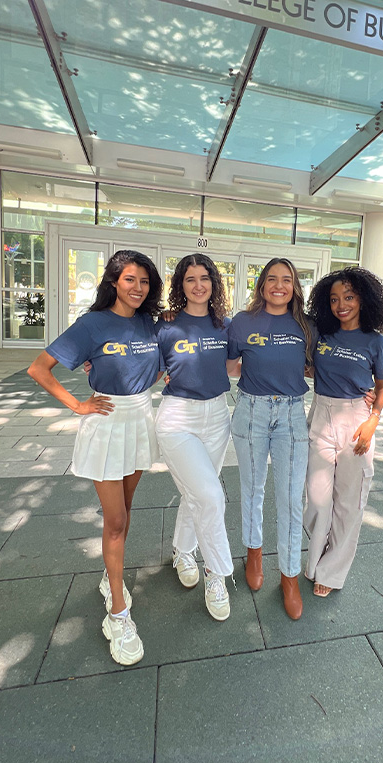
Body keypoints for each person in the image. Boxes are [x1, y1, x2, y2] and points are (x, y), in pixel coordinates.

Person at [27, 250, 163, 666]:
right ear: (113, 282)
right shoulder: (91, 324)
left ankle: (111, 575)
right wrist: (77, 405)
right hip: (105, 422)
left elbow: (153, 366)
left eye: (144, 281)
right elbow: (39, 368)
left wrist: (161, 377)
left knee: (126, 509)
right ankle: (118, 614)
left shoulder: (148, 323)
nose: (137, 288)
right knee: (116, 520)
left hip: (140, 418)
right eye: (129, 280)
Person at [227, 258, 314, 620]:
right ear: (262, 285)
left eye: (287, 280)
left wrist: (367, 394)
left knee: (292, 499)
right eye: (272, 279)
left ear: (294, 286)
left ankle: (290, 576)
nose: (280, 285)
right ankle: (254, 552)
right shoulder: (241, 322)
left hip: (293, 415)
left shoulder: (307, 326)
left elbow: (316, 366)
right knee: (252, 489)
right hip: (251, 412)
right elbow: (231, 367)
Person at [154, 253, 234, 622]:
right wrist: (99, 369)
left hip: (218, 415)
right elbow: (144, 368)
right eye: (190, 279)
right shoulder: (166, 324)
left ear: (214, 283)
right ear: (180, 285)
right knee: (210, 495)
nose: (198, 285)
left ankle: (183, 551)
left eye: (205, 278)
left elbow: (238, 365)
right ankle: (216, 573)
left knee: (196, 492)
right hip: (178, 418)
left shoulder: (225, 325)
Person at [304, 266, 383, 597]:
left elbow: (381, 387)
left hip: (356, 420)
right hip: (321, 415)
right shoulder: (322, 334)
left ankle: (330, 571)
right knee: (316, 500)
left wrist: (373, 420)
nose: (342, 305)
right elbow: (310, 364)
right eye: (335, 299)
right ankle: (316, 560)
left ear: (364, 300)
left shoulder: (376, 342)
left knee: (349, 503)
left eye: (349, 297)